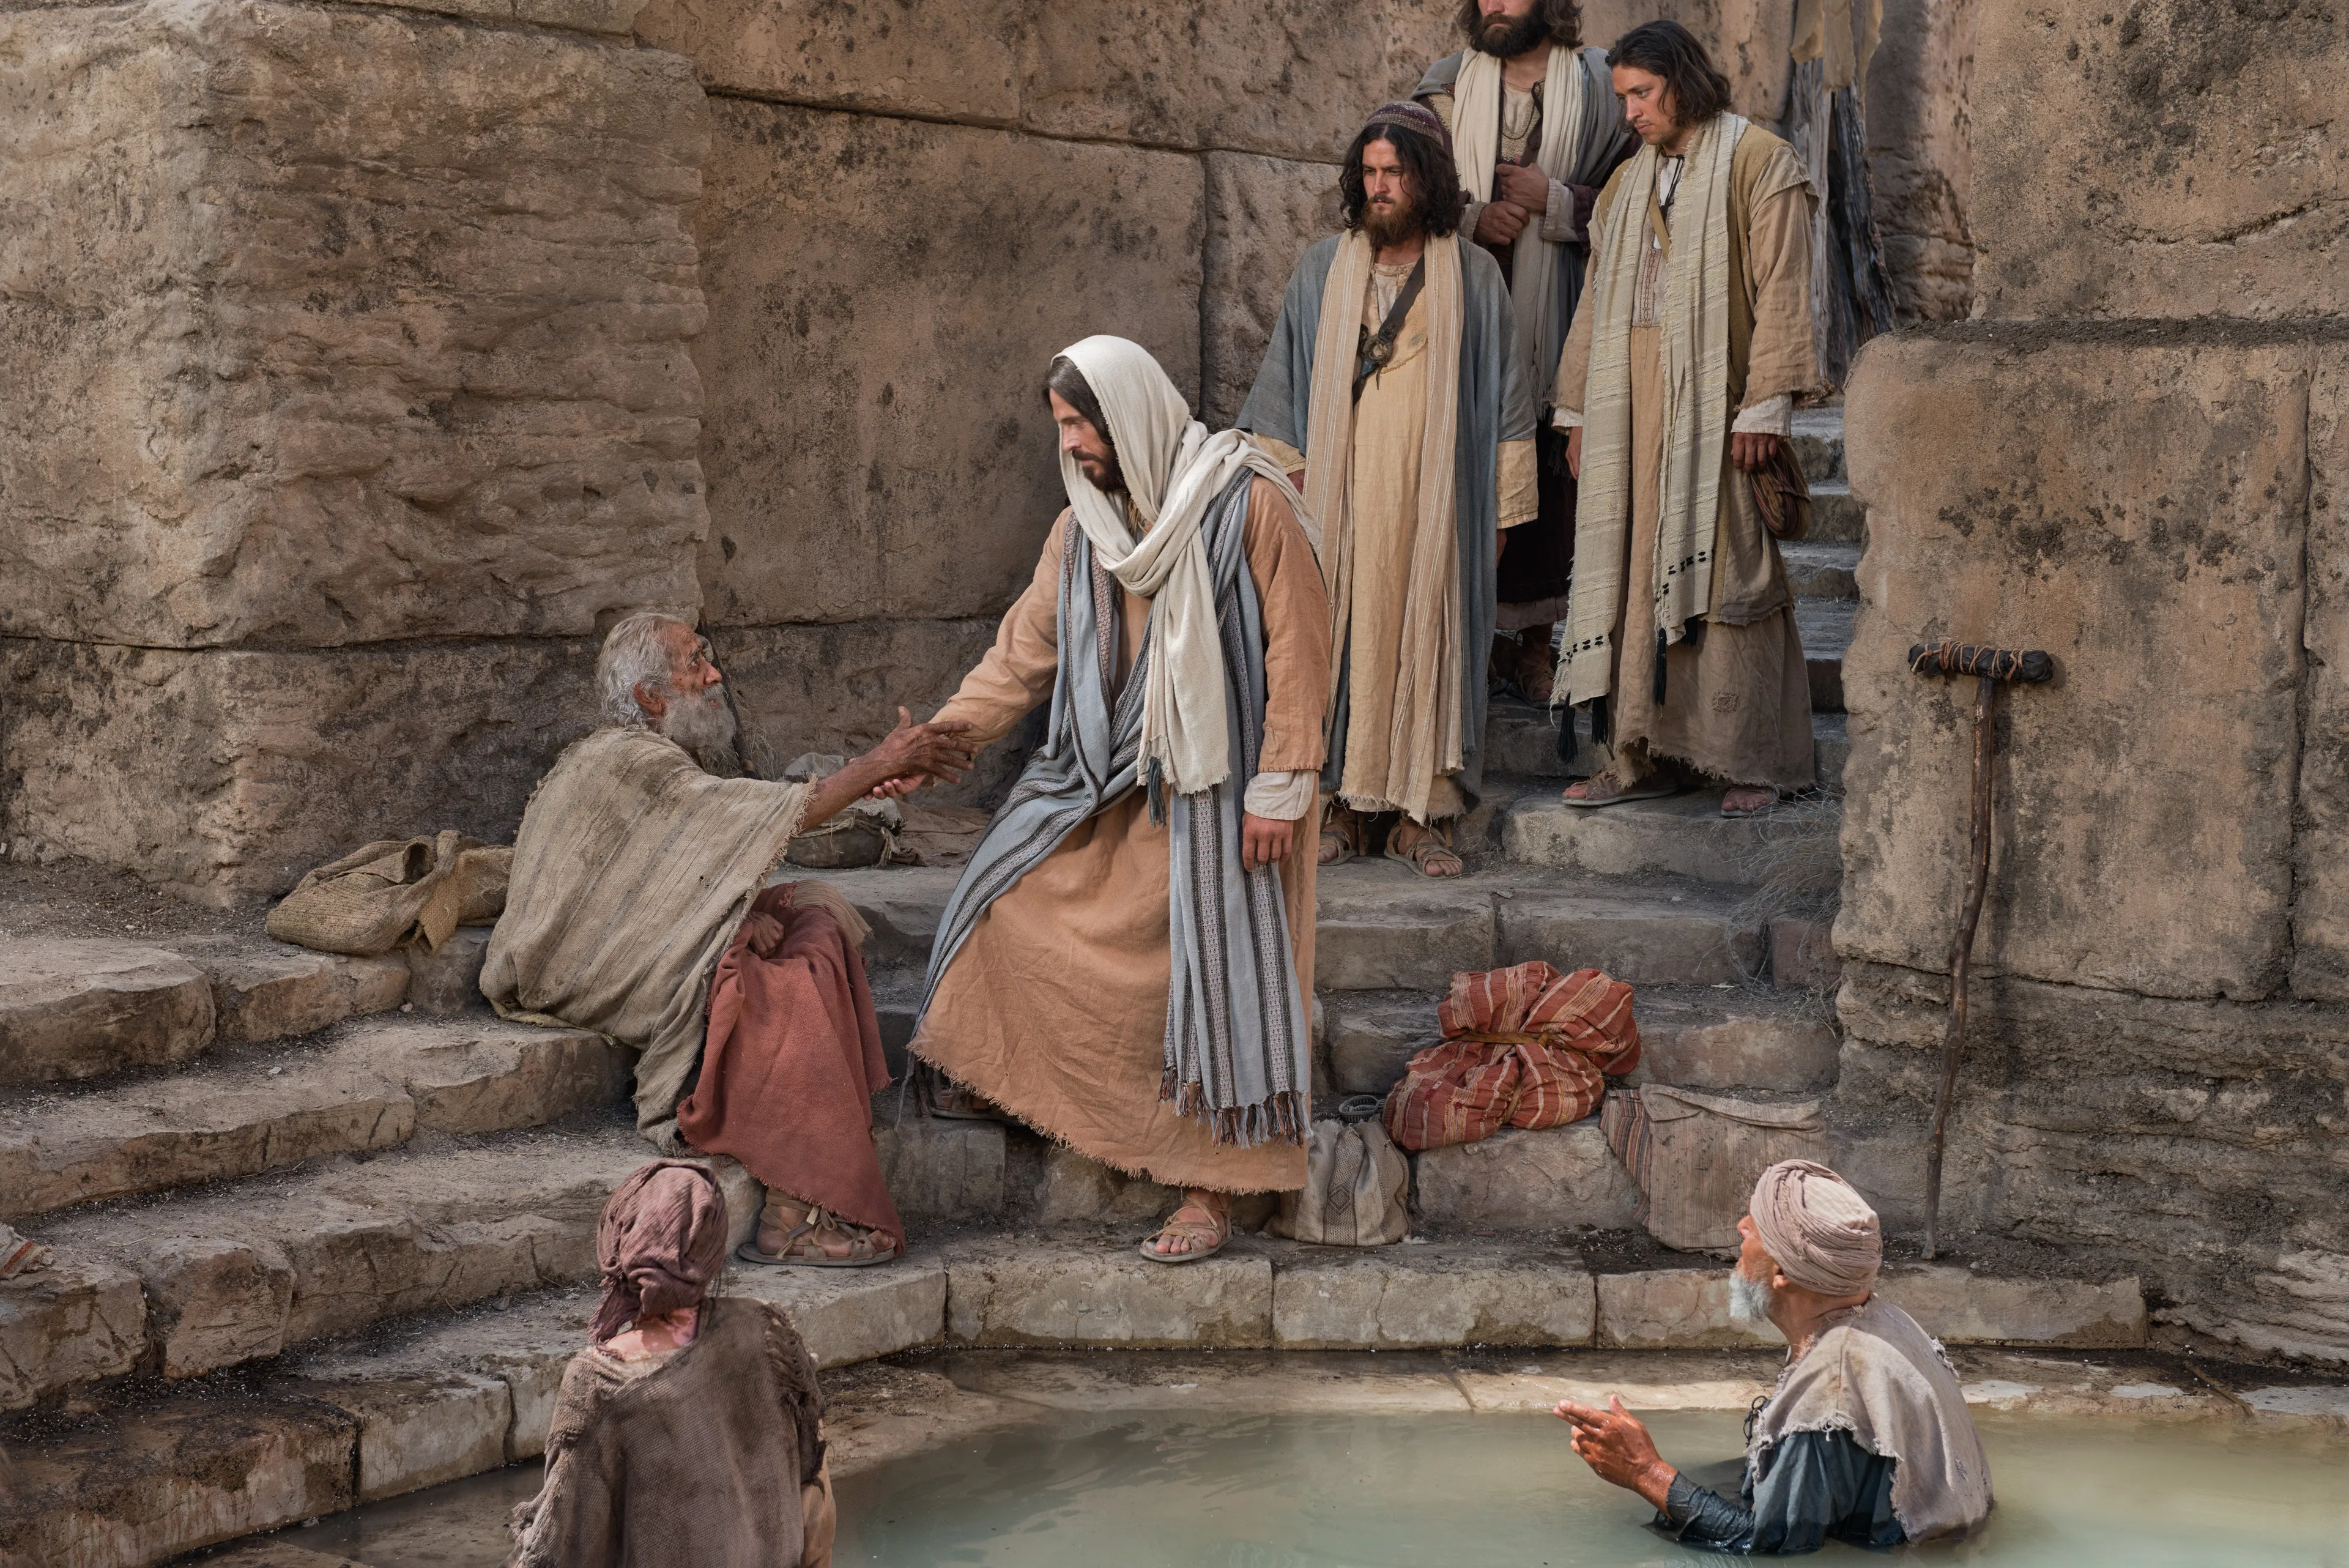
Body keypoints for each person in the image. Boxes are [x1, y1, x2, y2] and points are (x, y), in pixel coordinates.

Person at [888, 336, 1329, 1263]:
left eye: (1081, 423)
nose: (1072, 444)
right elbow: (1021, 656)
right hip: (1112, 780)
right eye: (1062, 426)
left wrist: (1280, 787)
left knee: (1215, 961)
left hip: (1226, 794)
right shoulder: (1081, 526)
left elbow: (1298, 649)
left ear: (1128, 413)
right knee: (1006, 889)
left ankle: (1214, 1186)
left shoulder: (1247, 501)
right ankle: (1021, 1079)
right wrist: (940, 740)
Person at [482, 613, 976, 1268]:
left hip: (640, 939)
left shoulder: (656, 760)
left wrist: (734, 918)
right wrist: (877, 764)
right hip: (575, 966)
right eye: (695, 662)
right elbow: (758, 822)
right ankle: (791, 1214)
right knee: (771, 984)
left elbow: (682, 872)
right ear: (649, 698)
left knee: (816, 917)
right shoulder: (626, 758)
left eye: (707, 657)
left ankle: (814, 1179)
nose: (714, 674)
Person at [1239, 102, 1537, 877]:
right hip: (1339, 502)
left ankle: (1419, 817)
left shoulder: (1472, 275)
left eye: (1394, 173)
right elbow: (1281, 388)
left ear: (1426, 179)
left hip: (1436, 502)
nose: (1379, 187)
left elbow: (1507, 395)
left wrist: (1500, 513)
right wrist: (1291, 487)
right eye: (1369, 172)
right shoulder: (1320, 269)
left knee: (1428, 639)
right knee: (1337, 639)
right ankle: (1338, 804)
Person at [1551, 20, 1819, 819]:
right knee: (1635, 570)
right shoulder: (1628, 185)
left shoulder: (1757, 160)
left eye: (1643, 92)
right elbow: (1596, 299)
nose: (1629, 110)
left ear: (1684, 82)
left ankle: (1753, 759)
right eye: (1621, 95)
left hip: (1721, 400)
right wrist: (1577, 413)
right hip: (1629, 403)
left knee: (1729, 570)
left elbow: (1783, 287)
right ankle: (1643, 755)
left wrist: (1766, 401)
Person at [1557, 1159, 1994, 1552]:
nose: (1742, 1226)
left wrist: (1645, 1472)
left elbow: (1768, 1545)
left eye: (1757, 1225)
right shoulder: (1884, 1320)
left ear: (1783, 1272)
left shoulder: (1835, 1383)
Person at [1416, 0, 1638, 701]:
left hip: (1567, 319)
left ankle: (1538, 646)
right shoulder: (1444, 88)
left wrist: (1559, 201)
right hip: (1468, 321)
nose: (1495, 4)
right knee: (1466, 472)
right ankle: (1473, 638)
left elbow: (1648, 199)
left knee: (1553, 480)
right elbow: (1401, 188)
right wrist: (1476, 217)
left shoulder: (1607, 90)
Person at [507, 1161, 837, 1567]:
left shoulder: (600, 1380)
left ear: (618, 1246)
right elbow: (816, 1504)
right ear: (711, 1252)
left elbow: (558, 1550)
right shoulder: (766, 1330)